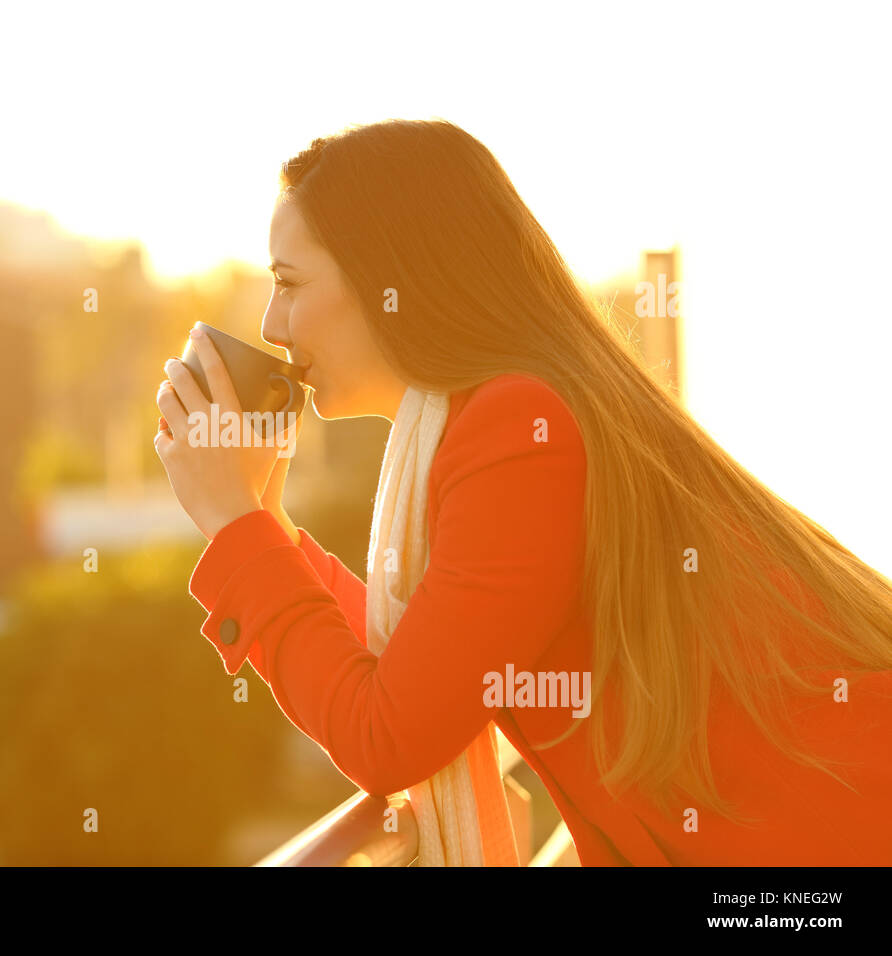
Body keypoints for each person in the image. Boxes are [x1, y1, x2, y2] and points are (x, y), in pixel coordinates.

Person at [152, 119, 892, 866]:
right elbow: (422, 664)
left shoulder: (516, 429)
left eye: (287, 282)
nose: (273, 326)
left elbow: (388, 736)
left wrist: (236, 524)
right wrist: (266, 526)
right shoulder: (520, 410)